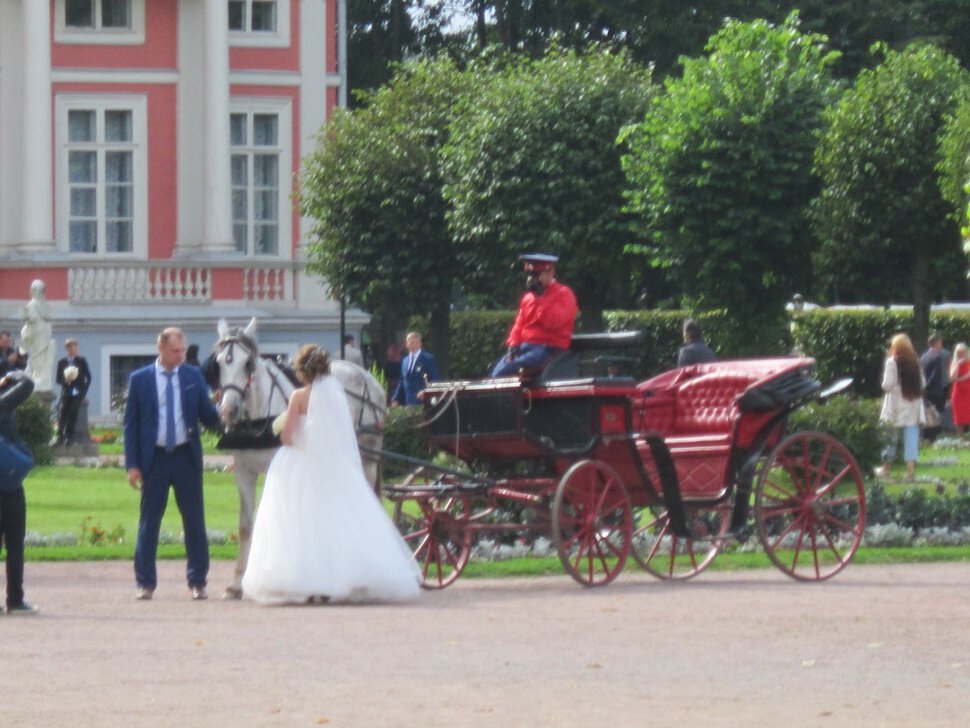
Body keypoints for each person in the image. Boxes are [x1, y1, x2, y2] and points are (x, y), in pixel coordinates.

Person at [242, 344, 420, 604]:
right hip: (333, 465)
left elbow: (289, 437)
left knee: (298, 524)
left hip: (302, 465)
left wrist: (280, 426)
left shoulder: (300, 397)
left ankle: (304, 579)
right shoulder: (336, 395)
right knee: (333, 522)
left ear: (302, 371)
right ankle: (338, 578)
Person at [124, 327, 220, 601]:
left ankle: (198, 581)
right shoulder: (140, 379)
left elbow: (208, 417)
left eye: (183, 350)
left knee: (194, 521)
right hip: (153, 459)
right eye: (176, 351)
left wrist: (223, 412)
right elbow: (131, 425)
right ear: (161, 349)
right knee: (149, 523)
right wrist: (132, 465)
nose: (181, 356)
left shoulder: (192, 375)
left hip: (185, 457)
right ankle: (145, 582)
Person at [490, 254, 578, 378]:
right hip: (525, 348)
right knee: (495, 372)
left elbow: (552, 323)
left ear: (550, 273)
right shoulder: (529, 298)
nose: (532, 280)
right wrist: (513, 345)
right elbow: (519, 324)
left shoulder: (564, 294)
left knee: (503, 372)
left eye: (536, 275)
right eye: (531, 276)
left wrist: (540, 299)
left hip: (548, 348)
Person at [0, 370, 39, 615]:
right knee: (15, 543)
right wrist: (9, 375)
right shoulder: (2, 403)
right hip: (9, 480)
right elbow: (27, 383)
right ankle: (15, 598)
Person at [876, 333, 925, 482]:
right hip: (913, 404)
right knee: (911, 437)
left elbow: (887, 385)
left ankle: (886, 469)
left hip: (895, 404)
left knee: (891, 438)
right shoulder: (915, 361)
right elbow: (923, 382)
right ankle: (910, 472)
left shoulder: (892, 362)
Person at [55, 338, 92, 446]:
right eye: (71, 348)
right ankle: (59, 436)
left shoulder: (81, 361)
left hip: (77, 392)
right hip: (66, 391)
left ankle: (69, 436)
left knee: (73, 413)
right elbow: (58, 379)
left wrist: (83, 392)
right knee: (63, 413)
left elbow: (88, 377)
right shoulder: (62, 362)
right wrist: (65, 380)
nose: (74, 350)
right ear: (67, 349)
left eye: (75, 347)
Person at [20, 280, 53, 392]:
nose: (41, 293)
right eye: (39, 290)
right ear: (34, 291)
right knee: (35, 355)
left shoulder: (45, 305)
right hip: (34, 333)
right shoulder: (30, 305)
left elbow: (49, 317)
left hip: (43, 333)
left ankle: (40, 376)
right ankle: (36, 375)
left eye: (42, 290)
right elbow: (26, 318)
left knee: (41, 356)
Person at [391, 332, 439, 407]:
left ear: (420, 344)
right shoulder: (405, 361)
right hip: (408, 402)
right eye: (412, 342)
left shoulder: (428, 359)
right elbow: (403, 381)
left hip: (424, 402)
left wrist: (426, 392)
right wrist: (395, 399)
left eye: (417, 342)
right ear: (407, 344)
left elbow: (435, 378)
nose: (415, 345)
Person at [920, 332, 949, 443]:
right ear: (936, 343)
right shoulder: (937, 357)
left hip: (925, 390)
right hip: (935, 390)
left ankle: (926, 437)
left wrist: (924, 388)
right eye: (940, 342)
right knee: (936, 414)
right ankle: (934, 438)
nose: (941, 344)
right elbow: (935, 375)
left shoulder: (923, 357)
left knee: (927, 413)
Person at [950, 343, 970, 441]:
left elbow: (968, 376)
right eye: (959, 353)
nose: (961, 354)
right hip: (958, 393)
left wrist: (959, 379)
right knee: (959, 418)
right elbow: (952, 377)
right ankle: (960, 440)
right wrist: (958, 364)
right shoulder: (954, 363)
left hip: (968, 392)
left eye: (963, 352)